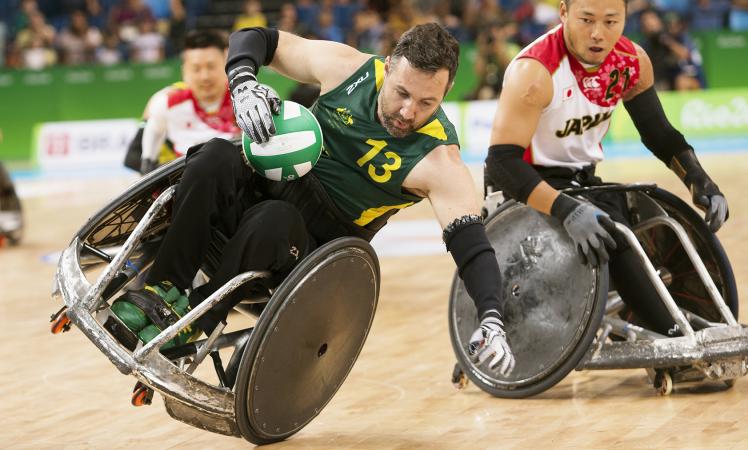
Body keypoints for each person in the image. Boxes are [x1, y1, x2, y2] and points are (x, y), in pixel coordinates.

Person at [109, 23, 516, 377]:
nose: (408, 112)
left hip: (312, 245)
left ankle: (197, 316)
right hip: (268, 184)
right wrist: (245, 83)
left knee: (274, 218)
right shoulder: (349, 69)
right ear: (388, 66)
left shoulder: (439, 161)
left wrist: (492, 318)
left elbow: (475, 251)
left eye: (428, 103)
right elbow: (255, 39)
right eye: (402, 93)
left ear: (445, 94)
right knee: (213, 155)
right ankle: (163, 287)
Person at [484, 0, 729, 337]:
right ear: (564, 13)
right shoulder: (536, 71)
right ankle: (676, 339)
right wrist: (565, 209)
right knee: (613, 235)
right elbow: (500, 164)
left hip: (580, 180)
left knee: (645, 226)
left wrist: (701, 180)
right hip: (524, 183)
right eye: (586, 20)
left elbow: (658, 133)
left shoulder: (631, 62)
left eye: (612, 21)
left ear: (627, 18)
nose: (599, 33)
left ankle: (686, 320)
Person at [124, 29, 239, 174]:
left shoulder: (245, 99)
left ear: (227, 65)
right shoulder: (166, 101)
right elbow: (133, 157)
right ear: (185, 71)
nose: (205, 76)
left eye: (211, 66)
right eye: (196, 69)